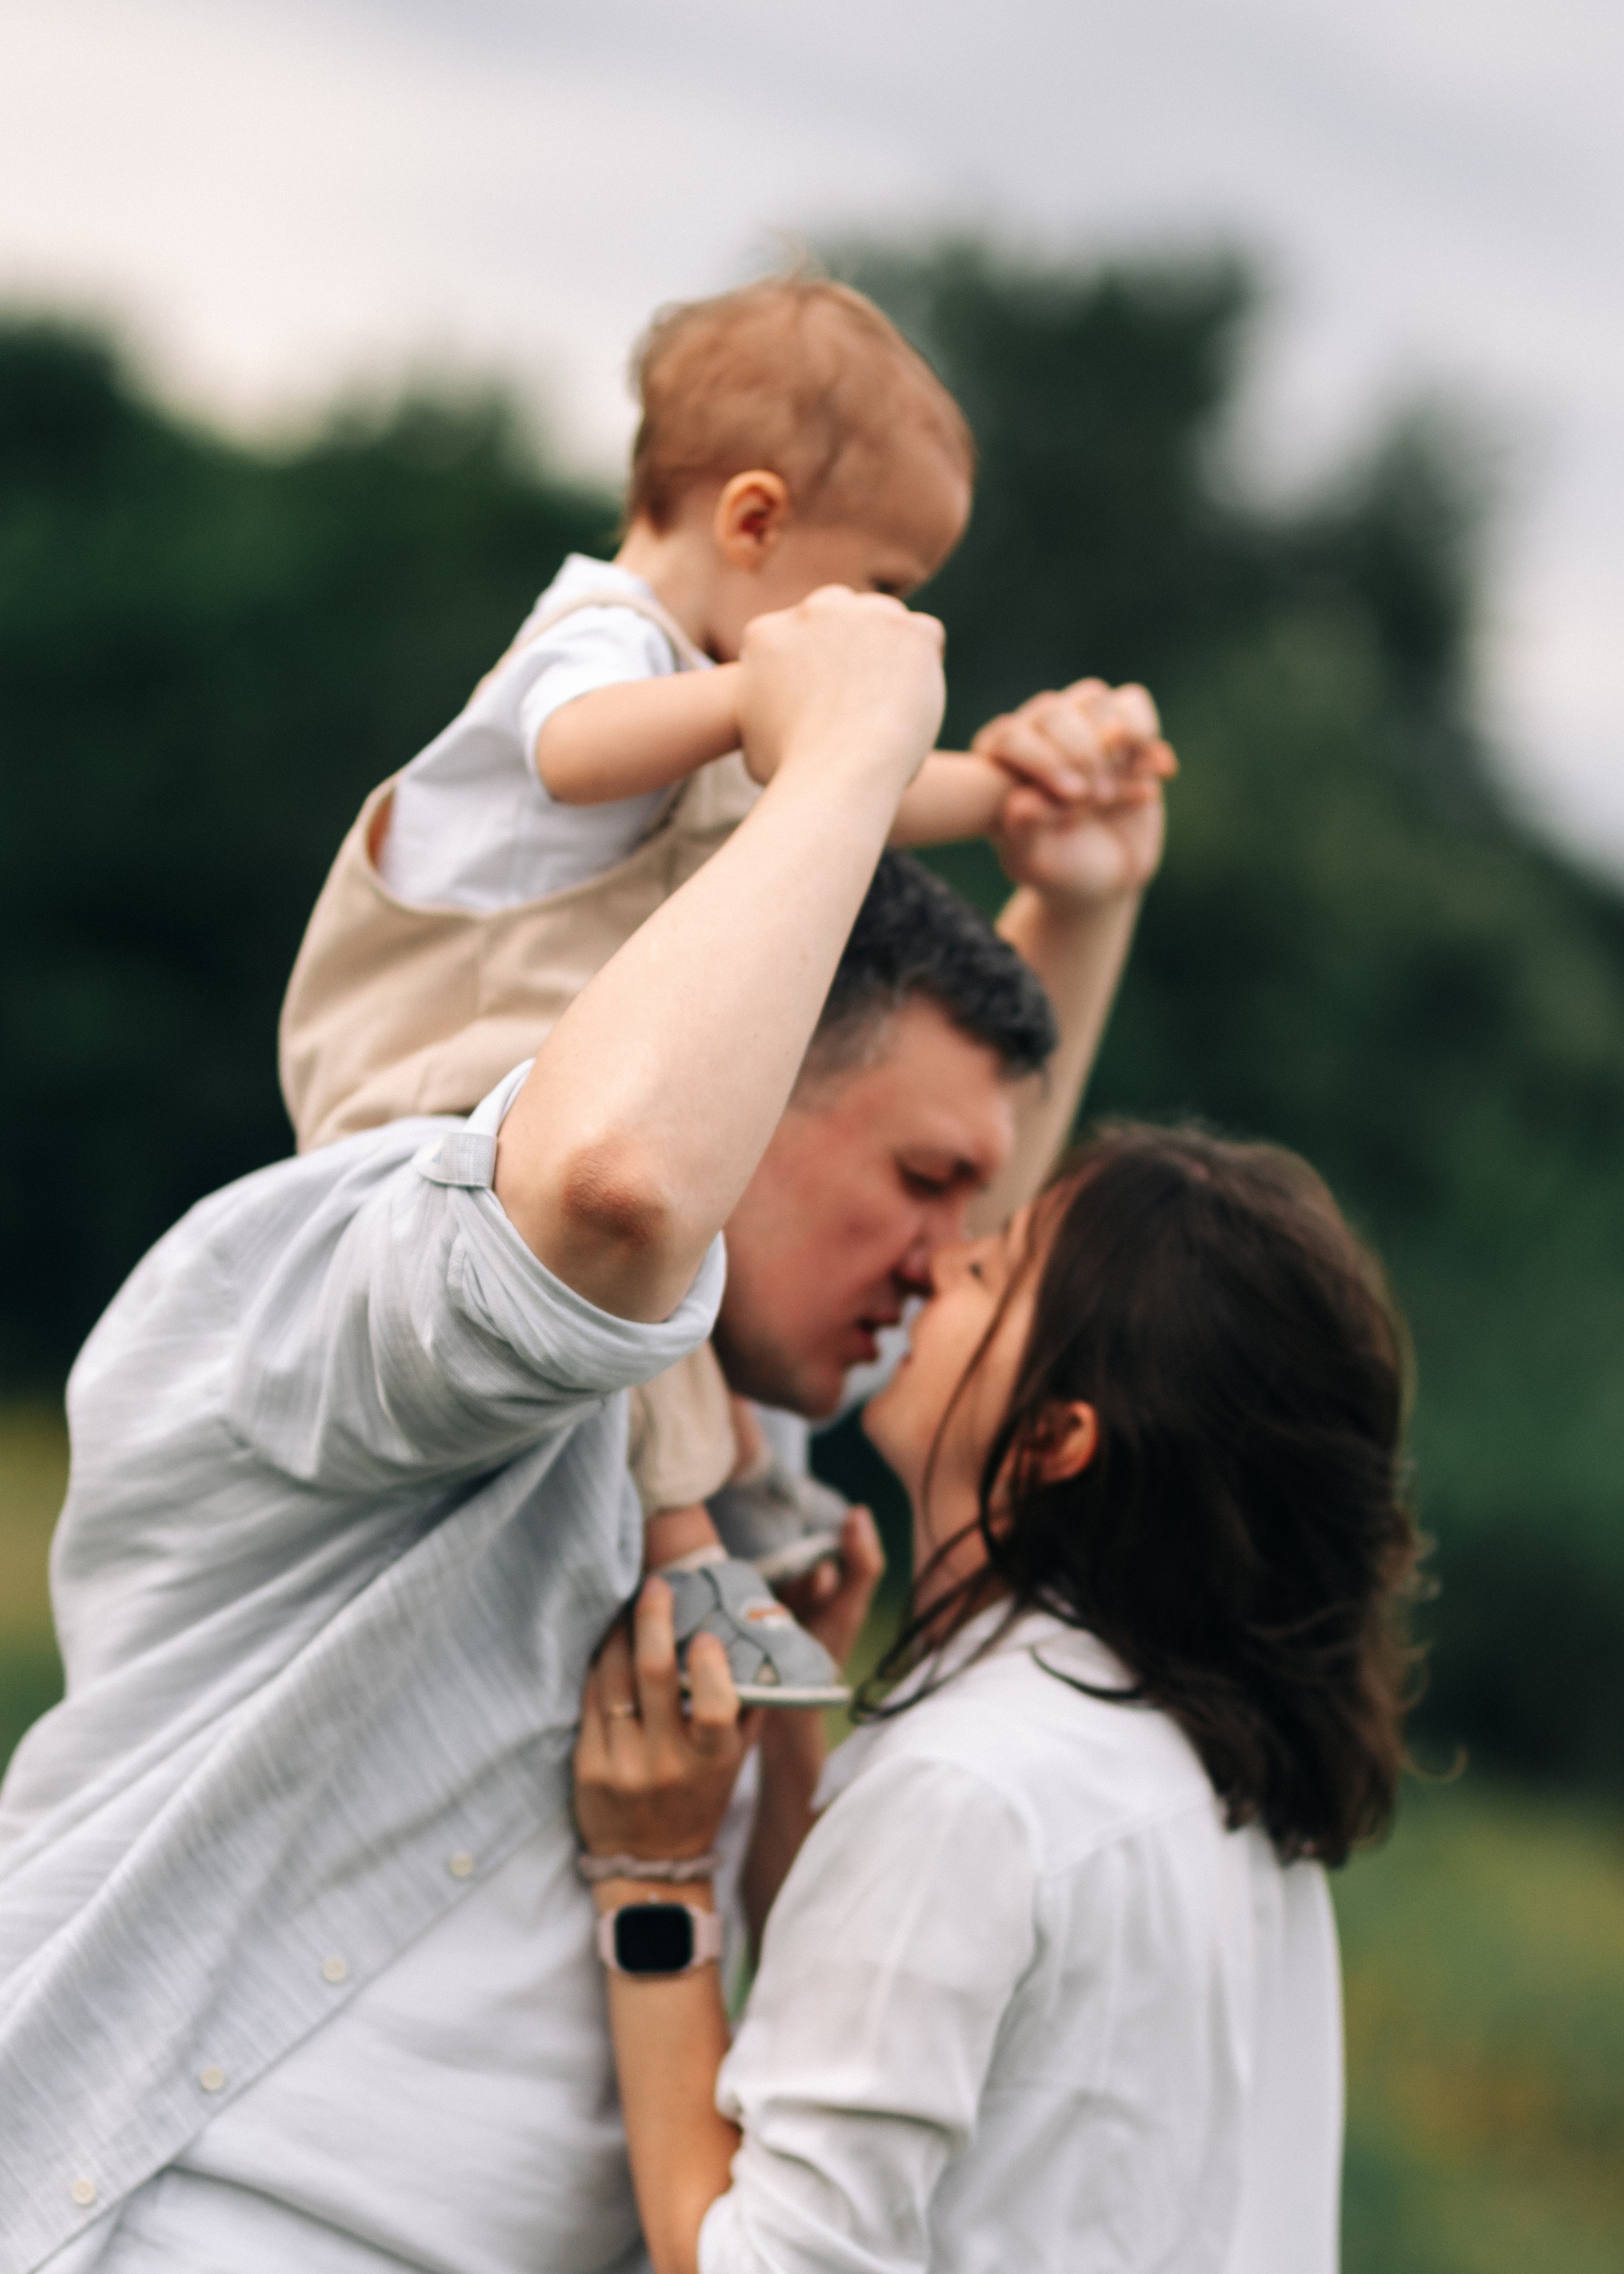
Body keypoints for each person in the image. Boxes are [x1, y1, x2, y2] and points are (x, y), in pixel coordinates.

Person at [0, 588, 1167, 2274]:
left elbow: (905, 1187)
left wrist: (1084, 896)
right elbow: (618, 1190)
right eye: (922, 1189)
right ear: (747, 1079)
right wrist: (845, 758)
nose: (948, 1266)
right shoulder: (343, 1275)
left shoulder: (740, 1447)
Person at [277, 272, 1174, 1707]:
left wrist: (1025, 809)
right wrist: (791, 712)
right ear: (752, 520)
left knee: (665, 1278)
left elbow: (867, 784)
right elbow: (573, 752)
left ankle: (721, 1513)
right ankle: (697, 1541)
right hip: (439, 1083)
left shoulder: (709, 689)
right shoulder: (604, 635)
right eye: (879, 587)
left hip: (551, 1095)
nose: (887, 620)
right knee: (649, 1258)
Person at [574, 1126, 1424, 2274]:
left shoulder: (976, 1788)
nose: (940, 1263)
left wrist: (655, 1879)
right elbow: (893, 2041)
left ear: (1056, 1437)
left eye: (1000, 1267)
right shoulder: (1202, 1777)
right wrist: (794, 1753)